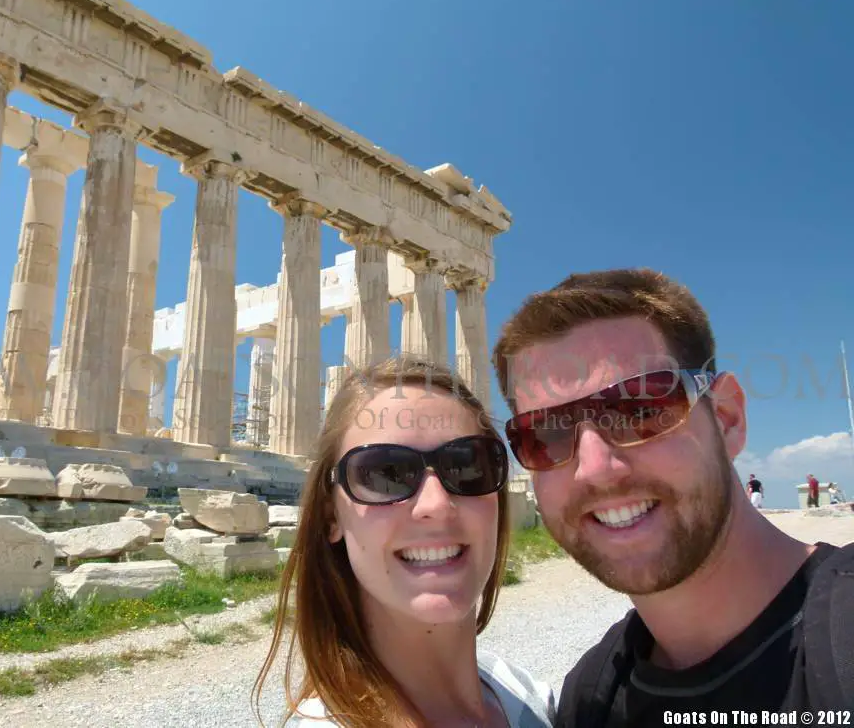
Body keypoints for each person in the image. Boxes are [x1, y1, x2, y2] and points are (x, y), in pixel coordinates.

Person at [490, 268, 854, 722]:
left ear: (726, 418)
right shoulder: (589, 697)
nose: (595, 468)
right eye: (546, 434)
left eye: (640, 409)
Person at [251, 356, 555, 728]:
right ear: (332, 516)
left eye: (468, 464)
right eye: (385, 473)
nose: (436, 505)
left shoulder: (530, 697)